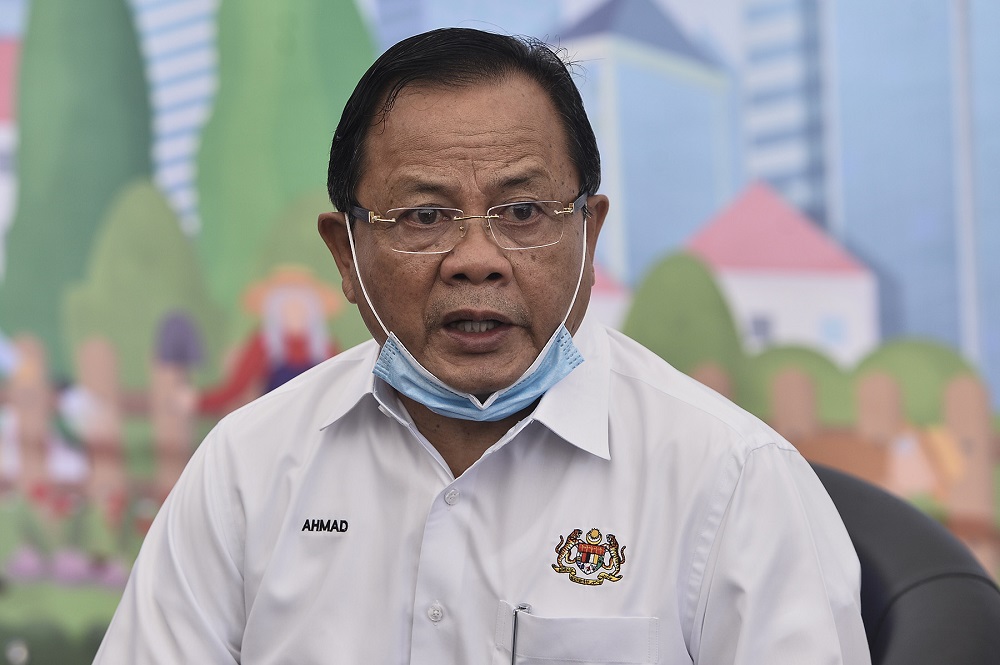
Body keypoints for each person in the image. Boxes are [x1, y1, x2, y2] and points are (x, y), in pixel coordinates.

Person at [95, 28, 871, 664]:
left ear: (589, 234)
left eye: (524, 210)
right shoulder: (248, 468)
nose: (477, 257)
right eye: (424, 217)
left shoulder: (731, 479)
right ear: (346, 255)